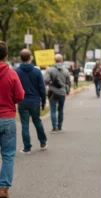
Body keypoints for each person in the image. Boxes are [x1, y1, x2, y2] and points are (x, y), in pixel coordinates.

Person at [0, 41, 25, 197]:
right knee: (8, 155)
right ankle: (3, 188)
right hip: (7, 118)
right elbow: (20, 96)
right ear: (6, 55)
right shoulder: (11, 74)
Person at [15, 49, 48, 154]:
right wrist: (43, 101)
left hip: (22, 101)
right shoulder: (37, 71)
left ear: (20, 59)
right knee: (37, 121)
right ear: (31, 58)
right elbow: (42, 88)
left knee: (25, 124)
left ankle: (27, 147)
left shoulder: (16, 71)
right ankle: (43, 142)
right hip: (35, 100)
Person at [44, 54, 71, 133]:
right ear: (62, 60)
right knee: (60, 109)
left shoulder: (50, 70)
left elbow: (46, 80)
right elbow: (68, 82)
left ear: (54, 60)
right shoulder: (66, 70)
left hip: (52, 92)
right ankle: (59, 126)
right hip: (62, 92)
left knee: (53, 110)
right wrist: (67, 90)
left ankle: (54, 127)